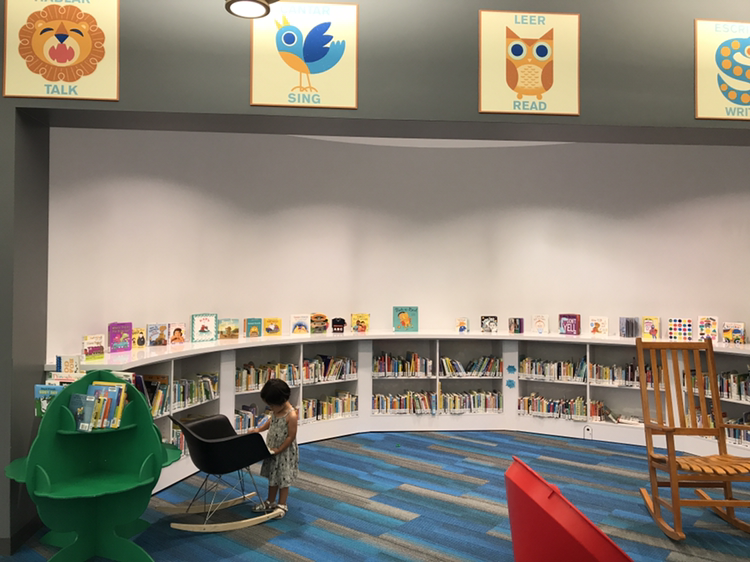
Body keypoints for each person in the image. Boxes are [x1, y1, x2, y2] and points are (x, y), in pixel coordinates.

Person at [251, 378, 298, 517]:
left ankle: (282, 504)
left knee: (283, 479)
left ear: (282, 401)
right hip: (272, 449)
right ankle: (270, 501)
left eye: (272, 405)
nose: (270, 408)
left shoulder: (291, 415)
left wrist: (280, 449)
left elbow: (291, 437)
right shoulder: (276, 411)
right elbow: (271, 421)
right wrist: (259, 429)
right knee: (272, 477)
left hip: (284, 453)